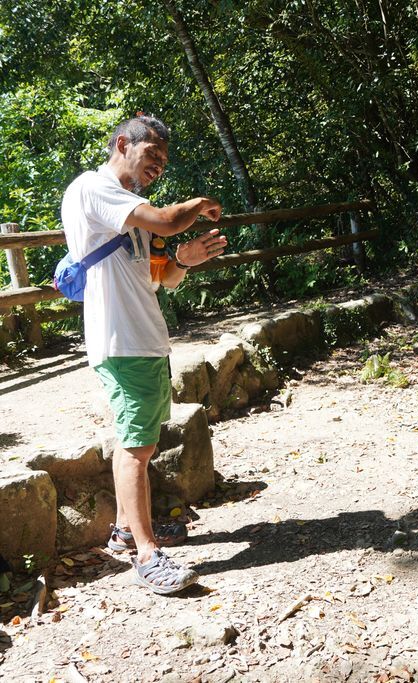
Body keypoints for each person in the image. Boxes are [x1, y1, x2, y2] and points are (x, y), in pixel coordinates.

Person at [61, 115, 227, 594]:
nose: (158, 165)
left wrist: (184, 260)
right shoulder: (94, 189)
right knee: (134, 448)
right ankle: (146, 555)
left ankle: (124, 530)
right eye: (152, 154)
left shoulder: (129, 211)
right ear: (122, 144)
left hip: (146, 339)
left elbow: (159, 279)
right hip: (121, 342)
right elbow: (170, 220)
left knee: (144, 441)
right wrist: (199, 203)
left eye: (162, 160)